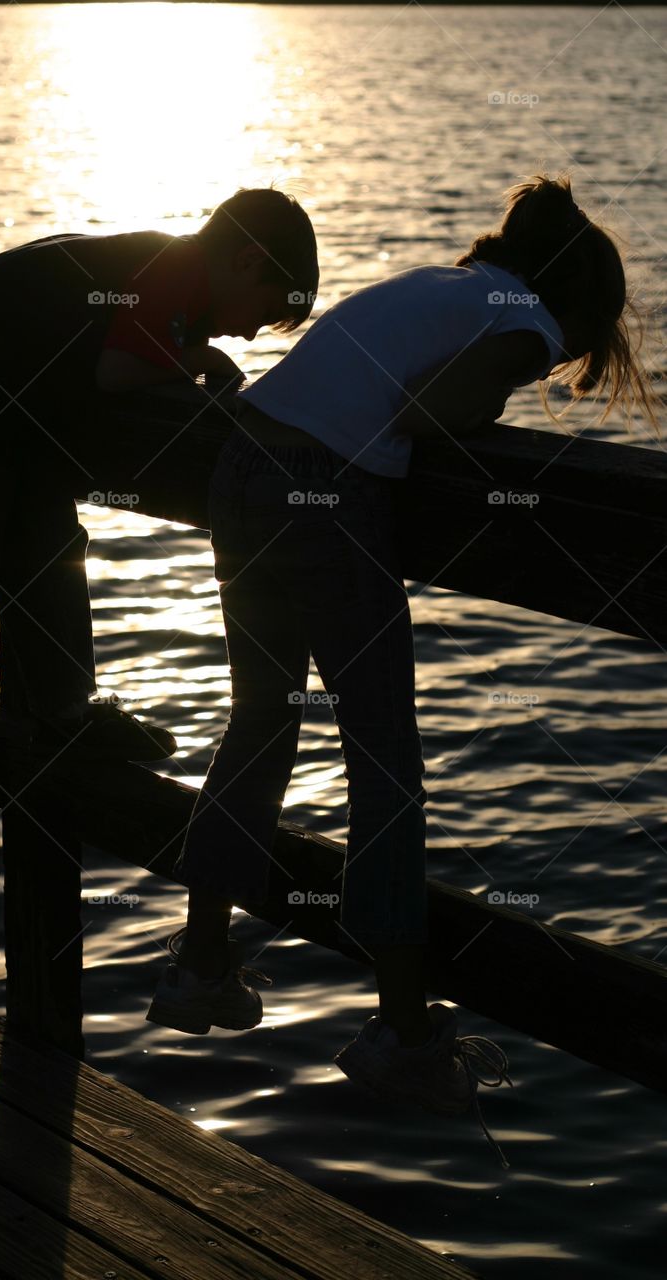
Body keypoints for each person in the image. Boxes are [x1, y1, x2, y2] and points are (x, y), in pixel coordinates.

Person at [145, 174, 659, 1167]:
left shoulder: (448, 283)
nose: (568, 360)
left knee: (260, 724)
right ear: (578, 306)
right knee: (383, 757)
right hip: (326, 496)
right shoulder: (531, 324)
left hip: (243, 465)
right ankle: (399, 1032)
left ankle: (199, 963)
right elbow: (429, 409)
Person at [0, 189, 318, 815]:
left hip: (13, 397)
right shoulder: (176, 269)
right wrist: (198, 356)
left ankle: (61, 713)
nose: (249, 331)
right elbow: (118, 370)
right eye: (264, 310)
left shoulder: (167, 271)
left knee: (48, 549)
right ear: (247, 260)